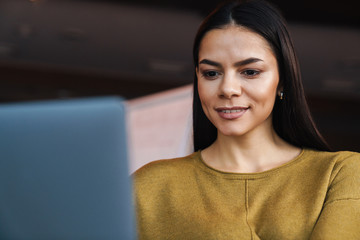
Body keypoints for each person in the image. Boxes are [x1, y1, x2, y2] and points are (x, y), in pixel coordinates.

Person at [133, 0, 360, 239]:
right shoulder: (147, 187)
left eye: (250, 72)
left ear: (282, 80)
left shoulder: (340, 174)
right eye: (211, 73)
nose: (228, 89)